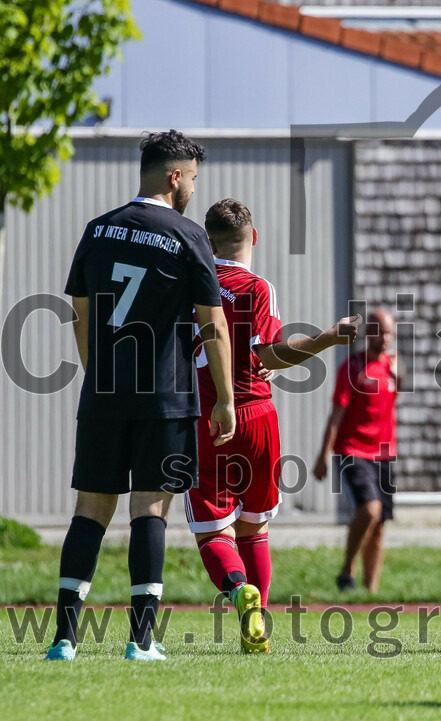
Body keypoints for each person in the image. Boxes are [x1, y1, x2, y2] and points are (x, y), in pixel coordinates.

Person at [46, 130, 235, 662]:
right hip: (166, 397)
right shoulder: (187, 235)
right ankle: (141, 641)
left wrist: (100, 375)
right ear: (175, 177)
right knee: (150, 509)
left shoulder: (98, 229)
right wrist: (225, 397)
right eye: (193, 178)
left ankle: (64, 640)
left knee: (89, 510)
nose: (194, 188)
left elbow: (79, 314)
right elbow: (213, 325)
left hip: (103, 395)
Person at [186, 199, 360, 652]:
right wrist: (331, 336)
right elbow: (270, 355)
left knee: (212, 531)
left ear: (208, 241)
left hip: (207, 419)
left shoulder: (192, 283)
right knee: (255, 528)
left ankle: (240, 593)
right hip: (259, 418)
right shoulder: (257, 287)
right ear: (254, 237)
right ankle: (258, 625)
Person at [312, 309, 400, 593]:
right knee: (370, 510)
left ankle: (370, 591)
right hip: (353, 451)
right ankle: (348, 567)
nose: (385, 338)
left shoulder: (394, 367)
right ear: (368, 332)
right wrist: (322, 457)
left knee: (380, 524)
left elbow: (389, 404)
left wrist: (400, 378)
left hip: (385, 453)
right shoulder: (351, 368)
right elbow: (335, 416)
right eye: (380, 331)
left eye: (389, 332)